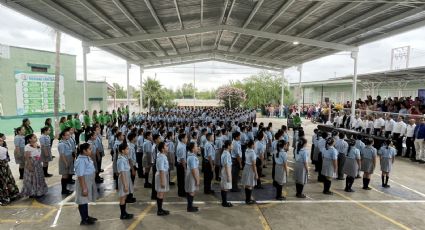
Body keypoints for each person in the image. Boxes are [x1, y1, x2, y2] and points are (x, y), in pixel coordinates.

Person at [74, 143, 98, 225]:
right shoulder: (80, 161)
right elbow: (80, 175)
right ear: (84, 151)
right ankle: (84, 219)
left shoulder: (86, 157)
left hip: (88, 181)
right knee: (82, 201)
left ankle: (86, 217)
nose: (91, 150)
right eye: (89, 149)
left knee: (85, 200)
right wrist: (84, 188)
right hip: (84, 182)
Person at [21, 134, 48, 198]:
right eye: (34, 137)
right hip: (32, 163)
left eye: (36, 137)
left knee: (39, 177)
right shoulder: (27, 146)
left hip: (37, 163)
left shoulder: (37, 145)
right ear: (30, 139)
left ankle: (39, 191)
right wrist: (29, 166)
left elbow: (38, 154)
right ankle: (32, 192)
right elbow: (27, 157)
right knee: (32, 178)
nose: (36, 138)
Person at [0, 138, 20, 205]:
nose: (2, 142)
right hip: (5, 167)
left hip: (2, 168)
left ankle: (5, 197)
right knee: (8, 180)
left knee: (3, 182)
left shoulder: (3, 149)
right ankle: (13, 194)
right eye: (1, 141)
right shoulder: (4, 149)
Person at [117, 142, 134, 220]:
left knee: (125, 196)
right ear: (123, 151)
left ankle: (124, 212)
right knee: (122, 197)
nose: (128, 150)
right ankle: (123, 214)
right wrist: (125, 185)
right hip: (124, 179)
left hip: (126, 177)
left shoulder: (124, 157)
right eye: (127, 149)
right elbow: (122, 173)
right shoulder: (120, 159)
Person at [155, 142, 170, 216]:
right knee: (160, 193)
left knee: (161, 193)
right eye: (166, 146)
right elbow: (161, 170)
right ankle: (159, 210)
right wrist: (163, 181)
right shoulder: (161, 157)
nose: (167, 147)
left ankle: (160, 209)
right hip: (161, 175)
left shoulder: (163, 155)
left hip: (163, 175)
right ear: (162, 149)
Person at [185, 142, 200, 212]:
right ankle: (190, 207)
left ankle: (190, 206)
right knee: (192, 191)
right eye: (196, 146)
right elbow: (194, 169)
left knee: (190, 190)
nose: (198, 147)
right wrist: (197, 179)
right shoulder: (192, 157)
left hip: (190, 174)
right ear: (193, 148)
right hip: (192, 175)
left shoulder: (191, 155)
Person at [58, 129, 74, 195]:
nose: (69, 136)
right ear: (63, 136)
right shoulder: (61, 144)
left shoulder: (67, 141)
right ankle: (64, 190)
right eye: (67, 135)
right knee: (64, 175)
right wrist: (66, 163)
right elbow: (62, 154)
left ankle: (66, 189)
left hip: (69, 159)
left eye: (69, 134)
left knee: (67, 175)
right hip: (64, 160)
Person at [241, 140, 258, 205]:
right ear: (252, 145)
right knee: (250, 184)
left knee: (247, 184)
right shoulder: (252, 153)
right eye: (254, 144)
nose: (255, 145)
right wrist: (256, 173)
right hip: (251, 168)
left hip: (246, 167)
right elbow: (254, 164)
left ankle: (247, 199)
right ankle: (248, 200)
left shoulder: (246, 150)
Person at [220, 140, 233, 207]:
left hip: (224, 170)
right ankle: (224, 203)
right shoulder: (227, 154)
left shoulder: (225, 152)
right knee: (225, 187)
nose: (232, 146)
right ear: (228, 146)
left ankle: (224, 202)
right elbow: (227, 165)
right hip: (226, 171)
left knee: (224, 187)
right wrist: (228, 176)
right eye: (231, 145)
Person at [176, 133, 187, 197]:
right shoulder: (181, 147)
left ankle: (181, 191)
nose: (187, 139)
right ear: (182, 139)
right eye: (186, 138)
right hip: (181, 165)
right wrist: (185, 167)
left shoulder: (181, 144)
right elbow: (182, 159)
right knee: (181, 179)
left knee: (181, 179)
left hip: (179, 164)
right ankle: (181, 192)